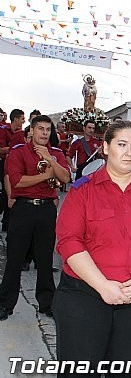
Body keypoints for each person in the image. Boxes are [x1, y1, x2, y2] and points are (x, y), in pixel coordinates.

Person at [53, 120, 131, 378]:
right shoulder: (82, 191)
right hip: (84, 297)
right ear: (106, 148)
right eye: (121, 145)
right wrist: (102, 286)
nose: (129, 152)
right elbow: (69, 242)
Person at [0, 115, 71, 321]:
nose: (44, 133)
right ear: (31, 130)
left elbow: (65, 178)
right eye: (40, 129)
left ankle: (47, 303)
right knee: (15, 257)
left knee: (45, 258)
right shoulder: (19, 152)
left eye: (48, 130)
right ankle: (5, 303)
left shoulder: (56, 153)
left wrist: (49, 159)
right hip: (23, 209)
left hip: (46, 210)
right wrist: (47, 176)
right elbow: (17, 181)